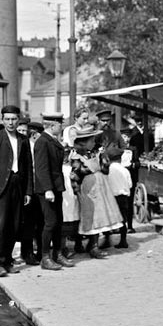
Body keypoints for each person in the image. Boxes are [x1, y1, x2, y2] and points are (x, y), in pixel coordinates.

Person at [0, 104, 33, 278]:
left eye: (14, 119)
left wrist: (28, 191)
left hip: (18, 185)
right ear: (2, 120)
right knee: (0, 225)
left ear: (19, 120)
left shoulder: (23, 140)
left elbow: (27, 166)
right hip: (1, 187)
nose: (11, 123)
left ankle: (8, 260)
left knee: (15, 225)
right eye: (7, 119)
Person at [69, 125, 124, 258]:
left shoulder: (96, 153)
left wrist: (104, 161)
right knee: (89, 215)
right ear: (84, 142)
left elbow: (106, 169)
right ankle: (87, 245)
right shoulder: (76, 156)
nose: (94, 142)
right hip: (87, 188)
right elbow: (76, 173)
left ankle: (93, 244)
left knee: (99, 215)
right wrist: (90, 169)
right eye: (91, 140)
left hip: (100, 186)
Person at [35, 113, 73, 270]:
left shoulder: (52, 140)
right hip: (47, 189)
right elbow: (42, 168)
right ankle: (45, 257)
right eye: (60, 124)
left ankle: (57, 254)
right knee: (50, 223)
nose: (61, 127)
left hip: (56, 187)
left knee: (58, 223)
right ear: (52, 125)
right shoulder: (42, 142)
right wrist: (48, 190)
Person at [19, 121, 45, 265]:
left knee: (41, 221)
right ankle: (27, 252)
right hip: (27, 190)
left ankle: (42, 251)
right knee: (27, 223)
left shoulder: (40, 145)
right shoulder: (24, 146)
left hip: (40, 189)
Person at [105, 146, 133, 249]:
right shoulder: (125, 170)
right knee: (122, 219)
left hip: (112, 197)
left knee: (108, 218)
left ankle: (107, 239)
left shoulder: (108, 170)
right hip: (123, 197)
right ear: (120, 158)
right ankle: (123, 240)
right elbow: (130, 184)